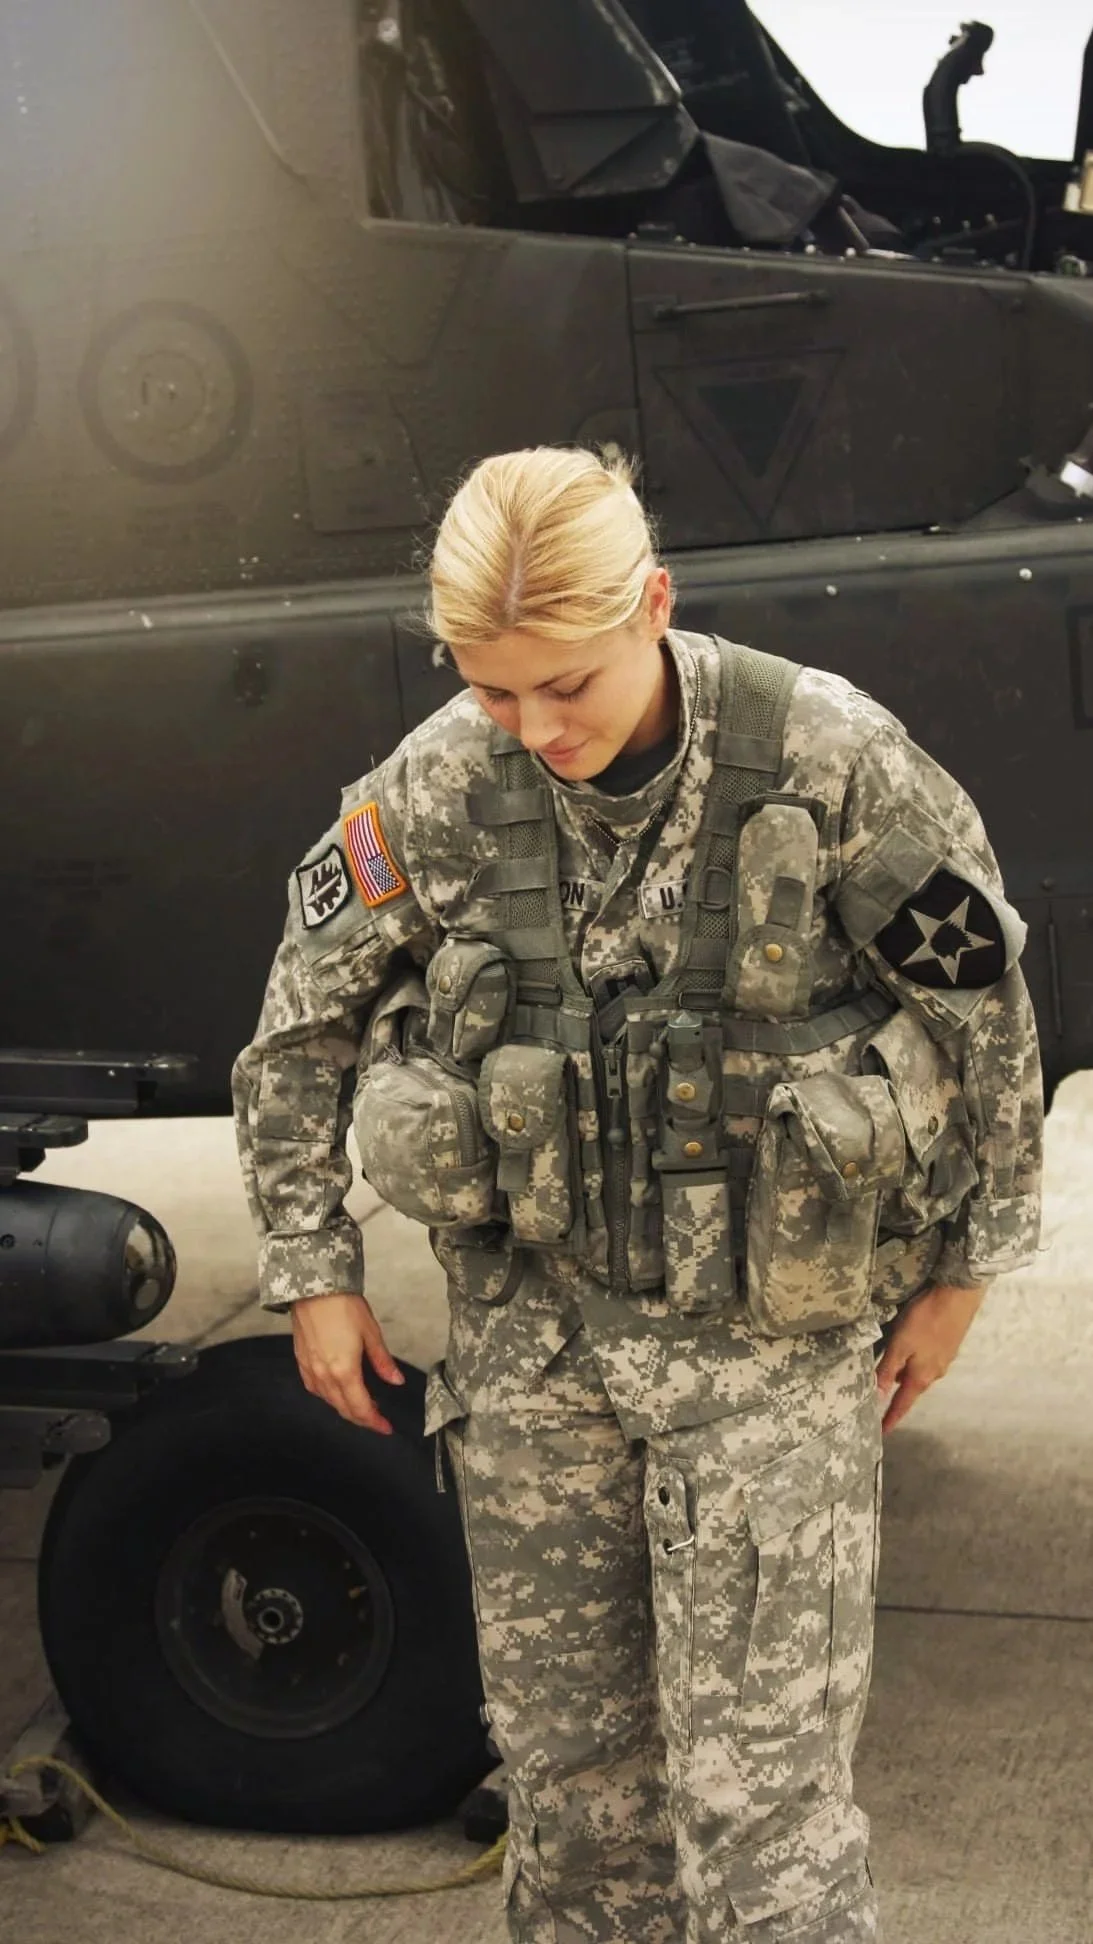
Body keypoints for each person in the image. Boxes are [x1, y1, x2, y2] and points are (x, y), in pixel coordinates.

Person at [232, 445, 1043, 1942]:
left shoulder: (830, 760)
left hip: (764, 1378)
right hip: (537, 1372)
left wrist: (970, 1267)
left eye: (567, 687)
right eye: (490, 688)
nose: (533, 729)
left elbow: (982, 1015)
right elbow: (299, 1024)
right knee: (574, 1797)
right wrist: (314, 1265)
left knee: (767, 1825)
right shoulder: (431, 788)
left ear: (654, 607)